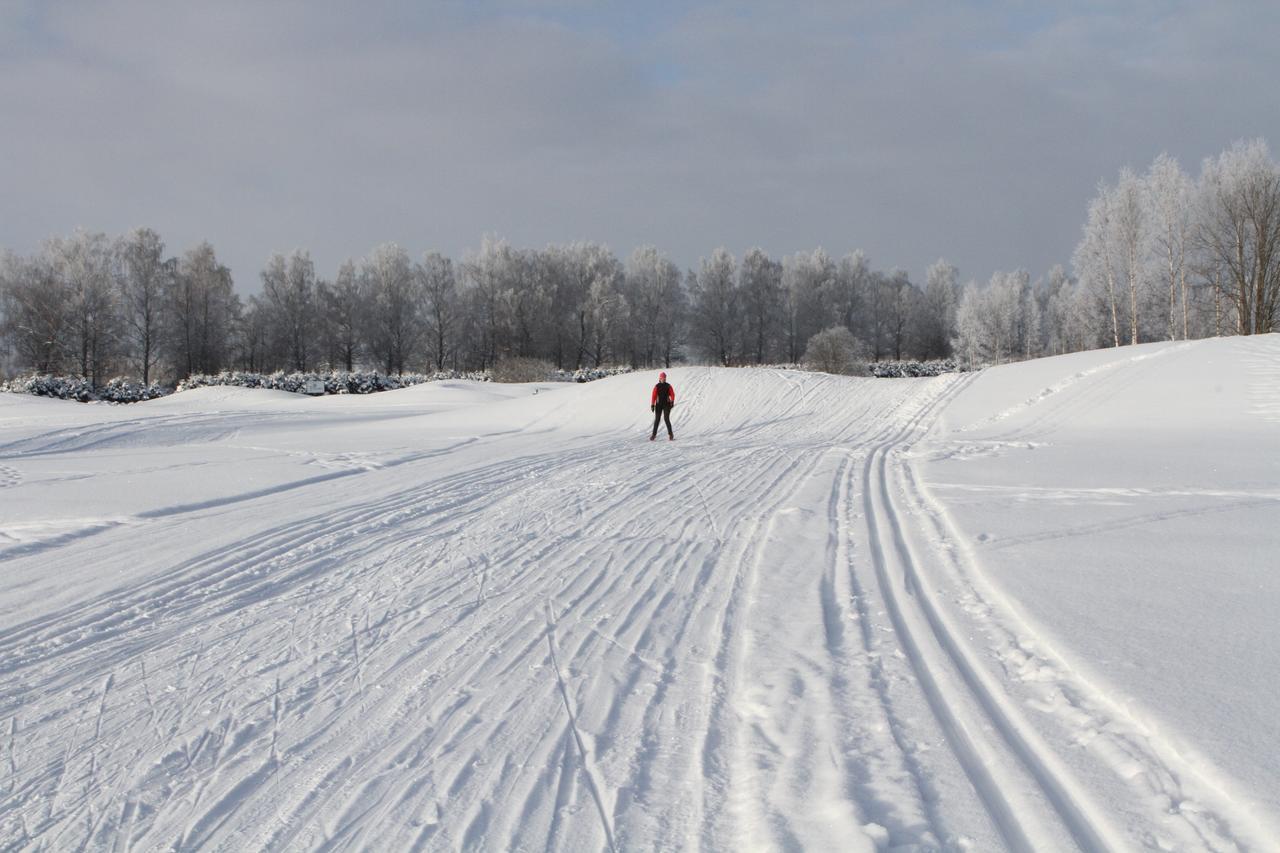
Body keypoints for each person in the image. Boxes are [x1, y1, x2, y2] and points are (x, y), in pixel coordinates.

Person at [650, 371, 675, 441]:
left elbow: (672, 394)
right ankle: (653, 435)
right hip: (658, 405)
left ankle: (671, 434)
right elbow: (653, 396)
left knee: (666, 419)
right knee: (657, 420)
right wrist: (652, 404)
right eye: (662, 378)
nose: (663, 379)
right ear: (659, 378)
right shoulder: (657, 386)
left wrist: (672, 401)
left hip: (667, 404)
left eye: (664, 378)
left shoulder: (668, 386)